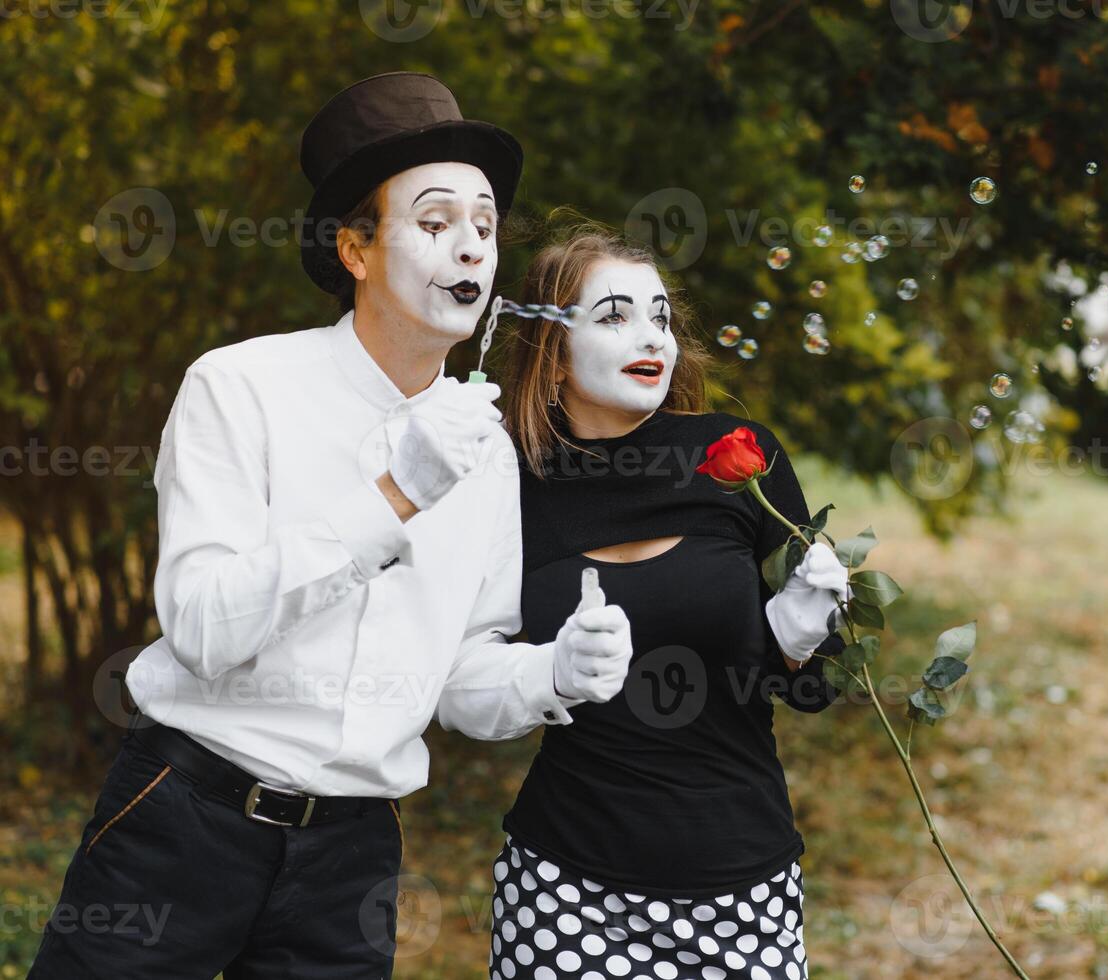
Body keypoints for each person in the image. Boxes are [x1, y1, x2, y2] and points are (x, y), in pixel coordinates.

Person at [28, 74, 633, 980]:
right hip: (183, 819)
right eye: (434, 223)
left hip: (352, 858)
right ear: (355, 248)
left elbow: (462, 674)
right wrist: (392, 495)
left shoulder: (489, 451)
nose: (470, 247)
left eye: (485, 225)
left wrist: (555, 672)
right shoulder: (238, 388)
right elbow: (200, 628)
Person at [486, 225, 851, 979]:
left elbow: (817, 690)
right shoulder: (503, 483)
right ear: (552, 351)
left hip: (741, 885)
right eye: (615, 315)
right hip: (564, 886)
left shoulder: (739, 456)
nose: (650, 335)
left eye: (659, 316)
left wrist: (798, 636)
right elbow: (468, 678)